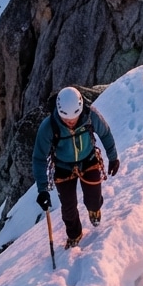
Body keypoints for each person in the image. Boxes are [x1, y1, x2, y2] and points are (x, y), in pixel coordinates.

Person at [33, 86, 120, 248]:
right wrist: (42, 189)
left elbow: (105, 133)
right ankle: (74, 234)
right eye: (66, 119)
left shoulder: (91, 116)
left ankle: (94, 209)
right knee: (68, 207)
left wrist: (113, 157)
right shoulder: (49, 126)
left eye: (74, 117)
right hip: (63, 167)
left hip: (88, 160)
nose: (71, 122)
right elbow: (39, 158)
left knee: (94, 198)